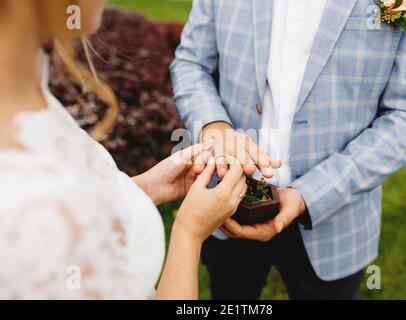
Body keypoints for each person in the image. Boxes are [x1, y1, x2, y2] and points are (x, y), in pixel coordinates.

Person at [171, 0, 406, 299]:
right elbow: (192, 62)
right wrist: (214, 127)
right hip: (225, 202)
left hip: (336, 220)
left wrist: (310, 195)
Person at [0, 0, 247, 300]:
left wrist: (145, 188)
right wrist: (189, 232)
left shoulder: (24, 98)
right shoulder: (33, 210)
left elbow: (83, 212)